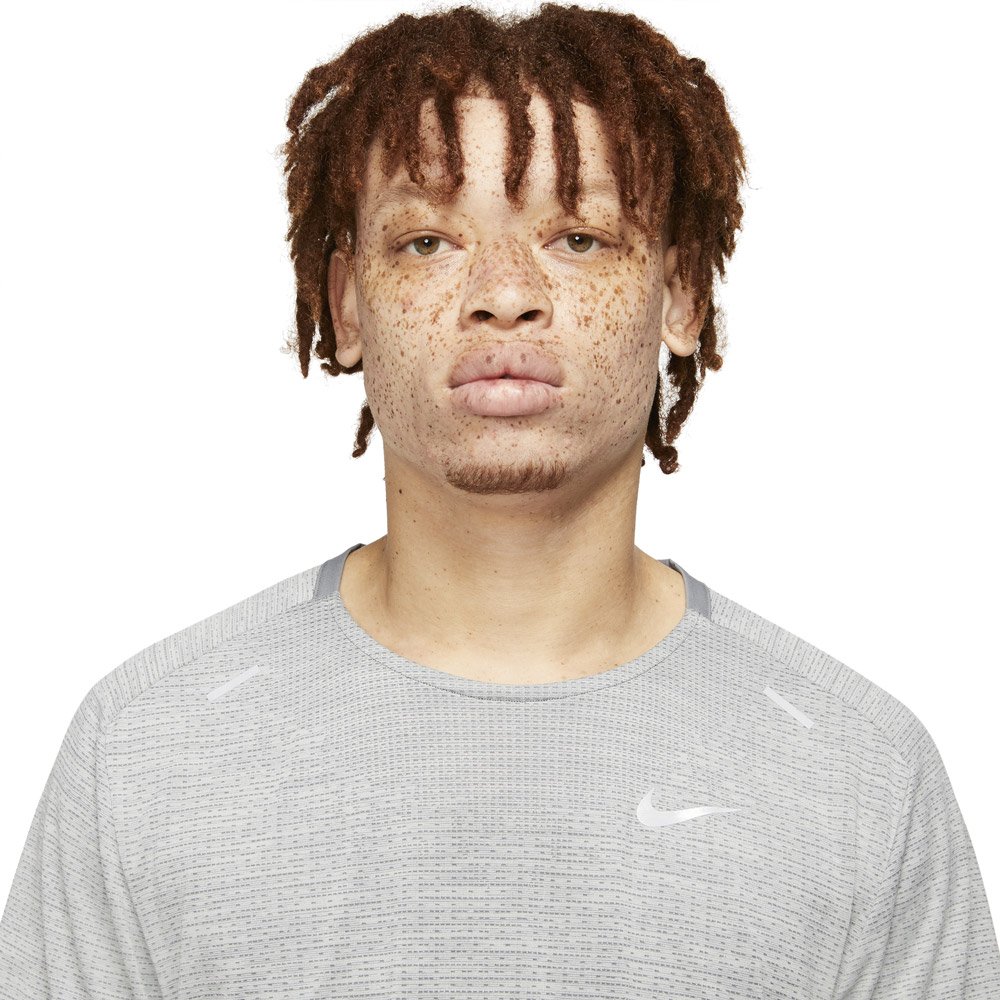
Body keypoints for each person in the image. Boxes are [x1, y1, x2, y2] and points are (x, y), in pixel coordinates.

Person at [1, 3, 998, 997]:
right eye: (427, 241)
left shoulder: (860, 773)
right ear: (346, 305)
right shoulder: (145, 748)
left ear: (681, 295)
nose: (505, 292)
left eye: (580, 237)